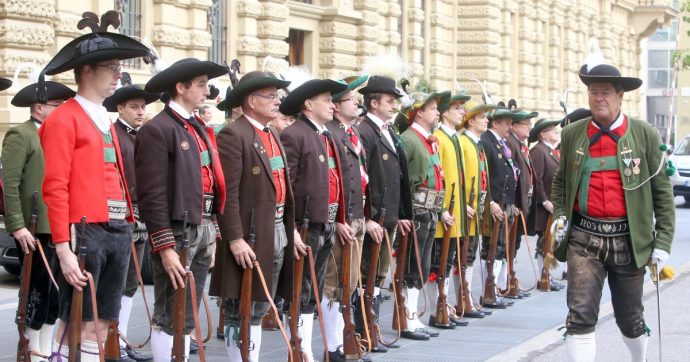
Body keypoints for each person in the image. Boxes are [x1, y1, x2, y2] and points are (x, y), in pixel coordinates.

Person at [39, 14, 150, 360]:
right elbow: (55, 186)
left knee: (104, 323)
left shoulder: (106, 117)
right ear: (87, 70)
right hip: (85, 231)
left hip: (118, 228)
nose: (119, 74)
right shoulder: (63, 118)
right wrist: (62, 247)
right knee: (75, 321)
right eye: (111, 67)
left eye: (119, 67)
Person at [552, 60, 675, 362]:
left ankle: (639, 359)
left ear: (621, 96)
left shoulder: (644, 134)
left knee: (630, 319)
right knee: (579, 315)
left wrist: (662, 244)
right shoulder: (571, 134)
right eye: (594, 92)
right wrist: (559, 217)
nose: (599, 99)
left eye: (606, 92)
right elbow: (560, 184)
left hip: (629, 240)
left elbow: (663, 194)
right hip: (584, 239)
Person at [136, 58, 228, 362]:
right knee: (168, 312)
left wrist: (212, 232)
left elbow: (210, 183)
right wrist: (164, 246)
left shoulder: (196, 127)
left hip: (200, 227)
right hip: (176, 231)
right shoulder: (158, 129)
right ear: (180, 87)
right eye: (200, 84)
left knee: (187, 311)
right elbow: (152, 194)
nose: (207, 90)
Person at [209, 70, 302, 360]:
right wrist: (235, 238)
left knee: (262, 305)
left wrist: (291, 230)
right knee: (242, 307)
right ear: (251, 100)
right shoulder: (233, 134)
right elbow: (228, 193)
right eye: (271, 96)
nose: (277, 102)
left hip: (276, 228)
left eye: (277, 96)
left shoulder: (271, 132)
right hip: (250, 234)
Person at [3, 81, 74, 361]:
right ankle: (31, 349)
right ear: (39, 107)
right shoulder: (21, 134)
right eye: (58, 105)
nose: (62, 111)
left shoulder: (59, 135)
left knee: (56, 295)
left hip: (59, 225)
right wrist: (17, 225)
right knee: (37, 291)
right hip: (34, 228)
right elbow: (9, 183)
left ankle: (46, 349)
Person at [279, 77, 348, 362]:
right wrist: (292, 227)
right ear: (308, 104)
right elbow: (288, 187)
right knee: (300, 289)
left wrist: (340, 218)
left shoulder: (325, 135)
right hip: (305, 225)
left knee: (313, 292)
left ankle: (304, 347)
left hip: (326, 222)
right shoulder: (294, 134)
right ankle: (298, 349)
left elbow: (336, 180)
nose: (332, 105)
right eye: (326, 100)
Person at [354, 75, 413, 351]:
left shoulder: (386, 130)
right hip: (373, 217)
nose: (393, 106)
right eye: (389, 101)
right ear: (373, 103)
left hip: (387, 216)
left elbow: (397, 176)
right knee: (366, 274)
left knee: (377, 277)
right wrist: (366, 217)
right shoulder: (365, 131)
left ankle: (372, 327)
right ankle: (363, 330)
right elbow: (362, 178)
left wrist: (401, 212)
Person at [104, 84, 160, 361]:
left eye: (143, 107)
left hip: (142, 216)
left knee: (130, 284)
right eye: (134, 107)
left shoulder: (144, 136)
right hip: (121, 216)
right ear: (120, 108)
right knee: (115, 281)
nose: (141, 112)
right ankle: (108, 341)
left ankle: (121, 339)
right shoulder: (113, 135)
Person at [323, 75, 370, 361]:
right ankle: (332, 346)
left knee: (349, 283)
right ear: (338, 106)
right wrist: (340, 218)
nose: (358, 104)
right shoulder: (329, 133)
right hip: (341, 218)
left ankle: (341, 341)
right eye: (353, 100)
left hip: (357, 214)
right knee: (334, 283)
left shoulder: (352, 133)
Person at [398, 89, 450, 339]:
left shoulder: (428, 138)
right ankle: (407, 318)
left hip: (429, 209)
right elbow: (402, 179)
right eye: (432, 108)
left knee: (422, 264)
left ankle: (413, 316)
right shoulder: (409, 139)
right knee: (411, 264)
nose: (437, 112)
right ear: (418, 112)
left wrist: (440, 210)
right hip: (416, 209)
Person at [427, 90, 470, 328]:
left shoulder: (453, 137)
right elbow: (437, 176)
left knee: (449, 260)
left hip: (456, 212)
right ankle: (437, 309)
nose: (462, 112)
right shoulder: (440, 138)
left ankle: (445, 305)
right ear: (444, 113)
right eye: (457, 108)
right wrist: (442, 208)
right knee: (438, 264)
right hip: (445, 213)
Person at [479, 107, 519, 309]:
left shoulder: (501, 143)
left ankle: (495, 288)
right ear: (495, 123)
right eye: (506, 123)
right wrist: (492, 202)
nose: (510, 128)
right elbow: (484, 175)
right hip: (494, 203)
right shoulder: (486, 142)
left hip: (506, 203)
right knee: (492, 247)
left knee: (502, 247)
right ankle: (489, 290)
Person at [458, 100, 495, 318]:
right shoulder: (464, 142)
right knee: (462, 256)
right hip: (467, 208)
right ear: (471, 121)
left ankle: (467, 296)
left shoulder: (476, 143)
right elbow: (459, 176)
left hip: (477, 207)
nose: (486, 120)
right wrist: (463, 204)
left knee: (469, 255)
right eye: (482, 117)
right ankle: (463, 298)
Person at [503, 108, 538, 298]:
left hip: (521, 204)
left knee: (514, 244)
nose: (530, 128)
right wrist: (514, 203)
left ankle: (511, 278)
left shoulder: (521, 145)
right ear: (514, 126)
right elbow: (511, 177)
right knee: (508, 244)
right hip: (514, 204)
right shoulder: (511, 143)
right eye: (526, 124)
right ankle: (507, 282)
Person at [527, 118, 564, 292]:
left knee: (550, 241)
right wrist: (544, 200)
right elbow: (537, 179)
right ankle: (544, 276)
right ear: (543, 134)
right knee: (544, 242)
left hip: (552, 204)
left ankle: (547, 275)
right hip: (544, 206)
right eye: (552, 130)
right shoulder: (538, 151)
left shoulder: (551, 151)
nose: (556, 132)